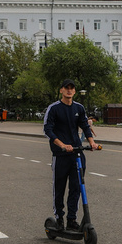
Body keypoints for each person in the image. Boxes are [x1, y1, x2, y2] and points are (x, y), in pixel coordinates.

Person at [44, 79, 99, 231]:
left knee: (76, 187)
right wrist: (62, 145)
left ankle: (71, 219)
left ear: (74, 91)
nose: (69, 90)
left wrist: (92, 142)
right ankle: (59, 218)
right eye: (66, 88)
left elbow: (85, 126)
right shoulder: (54, 108)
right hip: (61, 154)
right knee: (59, 188)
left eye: (72, 88)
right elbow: (47, 130)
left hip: (76, 153)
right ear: (61, 90)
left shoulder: (78, 108)